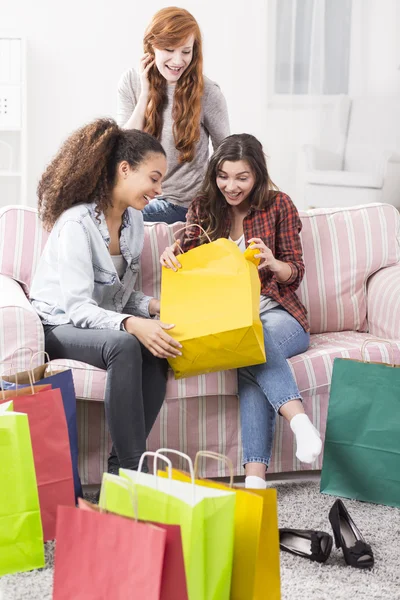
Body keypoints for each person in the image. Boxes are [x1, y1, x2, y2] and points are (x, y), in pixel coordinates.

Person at [160, 133, 322, 489]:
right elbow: (187, 257)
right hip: (229, 316)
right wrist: (171, 253)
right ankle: (257, 480)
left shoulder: (279, 205)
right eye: (223, 175)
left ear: (257, 175)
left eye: (242, 177)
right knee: (248, 345)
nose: (230, 186)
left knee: (254, 337)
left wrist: (273, 262)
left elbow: (294, 273)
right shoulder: (203, 206)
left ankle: (294, 426)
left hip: (280, 314)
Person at [30, 118, 182, 476]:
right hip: (59, 324)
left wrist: (154, 308)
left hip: (98, 323)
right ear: (125, 169)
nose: (158, 190)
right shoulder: (75, 225)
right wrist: (132, 324)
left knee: (157, 346)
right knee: (126, 344)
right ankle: (134, 473)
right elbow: (79, 308)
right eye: (154, 178)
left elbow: (118, 297)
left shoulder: (134, 224)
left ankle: (120, 471)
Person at [117, 6, 230, 224]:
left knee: (114, 219)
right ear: (152, 46)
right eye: (169, 50)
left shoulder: (208, 92)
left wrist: (219, 209)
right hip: (137, 197)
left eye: (185, 52)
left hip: (181, 204)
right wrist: (145, 94)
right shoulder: (131, 82)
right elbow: (122, 149)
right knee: (88, 211)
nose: (178, 61)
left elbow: (226, 154)